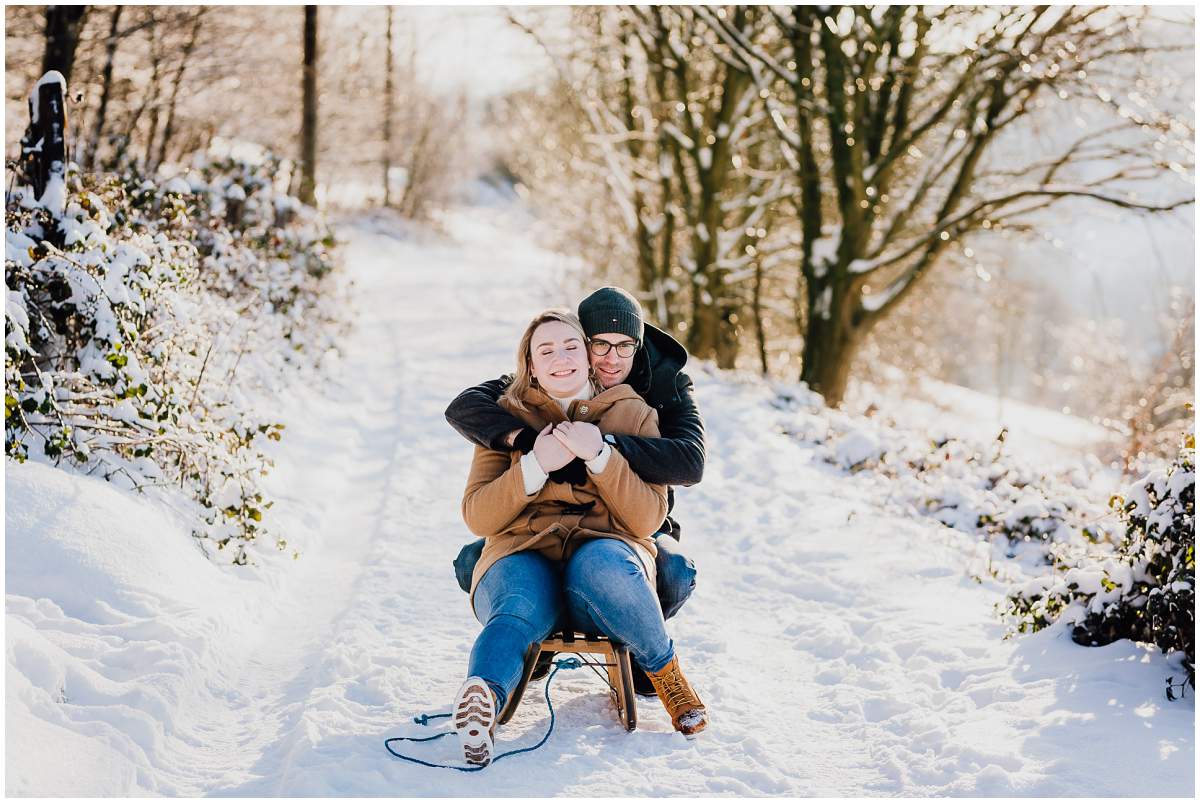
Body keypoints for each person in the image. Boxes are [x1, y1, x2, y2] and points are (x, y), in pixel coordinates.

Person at [453, 309, 708, 767]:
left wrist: (602, 456)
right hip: (523, 550)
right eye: (545, 351)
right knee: (514, 605)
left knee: (610, 566)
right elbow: (478, 516)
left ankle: (666, 671)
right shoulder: (506, 418)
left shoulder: (634, 412)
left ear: (589, 359)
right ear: (528, 365)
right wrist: (534, 463)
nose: (560, 358)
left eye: (571, 346)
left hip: (605, 554)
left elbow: (649, 516)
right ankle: (482, 700)